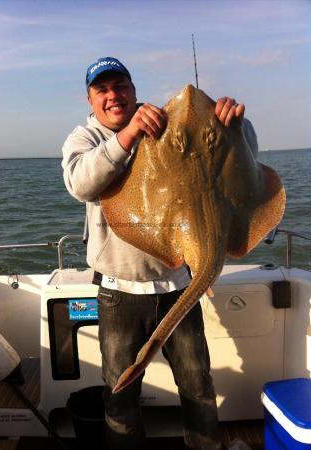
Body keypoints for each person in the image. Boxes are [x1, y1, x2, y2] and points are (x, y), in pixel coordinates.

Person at [62, 56, 257, 450]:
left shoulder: (165, 126)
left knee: (198, 386)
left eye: (121, 87)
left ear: (133, 91)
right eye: (102, 90)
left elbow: (241, 159)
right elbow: (81, 184)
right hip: (119, 295)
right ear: (90, 99)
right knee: (119, 396)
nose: (113, 96)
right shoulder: (85, 139)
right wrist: (127, 136)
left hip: (178, 287)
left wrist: (234, 124)